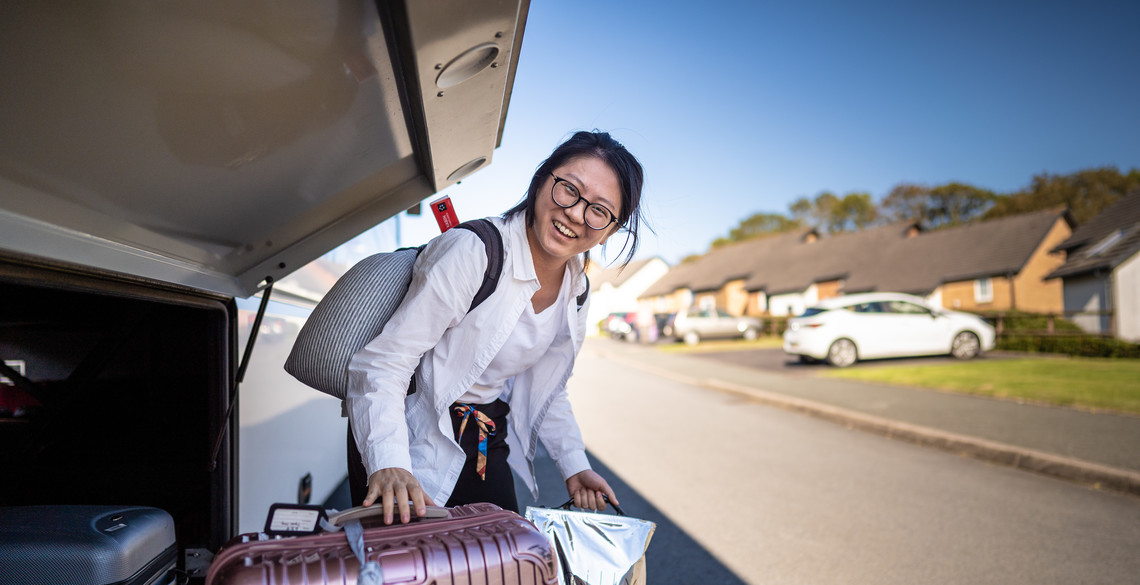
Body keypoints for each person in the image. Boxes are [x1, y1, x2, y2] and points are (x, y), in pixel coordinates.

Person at [345, 130, 647, 524]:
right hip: (407, 430)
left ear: (611, 228)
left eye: (599, 210)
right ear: (543, 180)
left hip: (486, 437)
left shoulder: (577, 289)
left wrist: (574, 465)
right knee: (412, 569)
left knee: (502, 562)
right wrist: (389, 462)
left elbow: (548, 386)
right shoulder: (473, 251)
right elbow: (386, 361)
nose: (576, 213)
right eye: (569, 189)